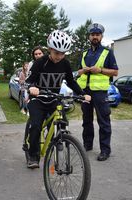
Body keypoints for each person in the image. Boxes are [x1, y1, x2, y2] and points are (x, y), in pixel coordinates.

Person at [25, 30, 91, 168]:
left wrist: (82, 94)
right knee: (36, 125)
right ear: (49, 49)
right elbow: (28, 81)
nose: (59, 56)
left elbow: (71, 82)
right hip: (38, 99)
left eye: (63, 53)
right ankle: (33, 155)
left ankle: (58, 139)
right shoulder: (40, 63)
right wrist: (32, 87)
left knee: (63, 121)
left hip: (53, 99)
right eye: (56, 53)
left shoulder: (65, 64)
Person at [76, 23, 118, 161]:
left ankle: (105, 150)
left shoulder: (107, 52)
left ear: (101, 36)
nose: (95, 37)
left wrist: (100, 70)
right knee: (86, 120)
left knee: (103, 121)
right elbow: (78, 72)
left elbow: (115, 72)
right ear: (89, 36)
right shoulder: (84, 54)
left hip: (100, 93)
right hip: (85, 92)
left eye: (97, 34)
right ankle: (87, 145)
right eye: (93, 34)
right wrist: (81, 71)